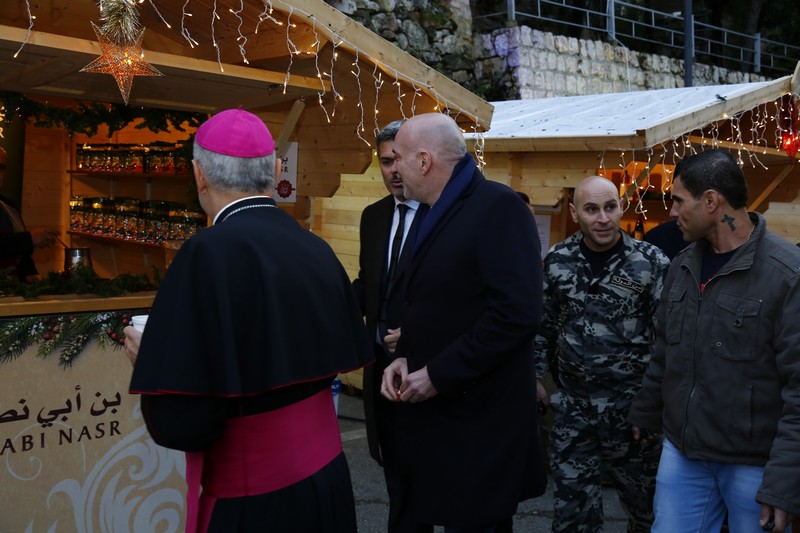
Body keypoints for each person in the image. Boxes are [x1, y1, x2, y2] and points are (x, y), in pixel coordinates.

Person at [122, 108, 373, 533]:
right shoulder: (316, 248)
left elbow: (183, 424)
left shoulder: (204, 255)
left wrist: (153, 360)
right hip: (328, 482)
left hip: (255, 499)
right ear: (275, 171)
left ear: (199, 175)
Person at [380, 112, 547, 530]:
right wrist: (407, 356)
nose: (392, 167)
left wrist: (437, 373)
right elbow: (441, 302)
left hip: (480, 427)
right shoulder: (436, 208)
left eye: (397, 158)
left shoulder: (498, 207)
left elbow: (516, 313)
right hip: (441, 422)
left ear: (423, 161)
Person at [629, 149, 800, 533]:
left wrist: (785, 483)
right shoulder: (682, 266)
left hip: (754, 465)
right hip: (683, 453)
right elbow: (665, 351)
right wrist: (647, 409)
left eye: (677, 200)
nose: (671, 213)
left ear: (711, 201)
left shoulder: (787, 275)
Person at [533, 176, 669, 533]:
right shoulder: (559, 259)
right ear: (576, 214)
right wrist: (533, 378)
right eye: (591, 209)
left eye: (610, 207)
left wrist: (656, 405)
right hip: (574, 411)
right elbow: (543, 326)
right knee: (572, 517)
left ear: (621, 208)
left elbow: (669, 339)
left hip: (633, 413)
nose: (603, 218)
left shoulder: (650, 262)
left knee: (649, 513)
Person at [352, 120, 430, 532]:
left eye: (400, 160)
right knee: (394, 469)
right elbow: (368, 284)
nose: (394, 171)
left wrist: (419, 334)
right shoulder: (373, 217)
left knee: (429, 474)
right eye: (386, 162)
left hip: (427, 368)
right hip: (378, 363)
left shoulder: (440, 216)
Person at [0, 146, 58, 280]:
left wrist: (31, 274)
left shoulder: (8, 207)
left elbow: (20, 254)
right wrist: (30, 238)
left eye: (1, 168)